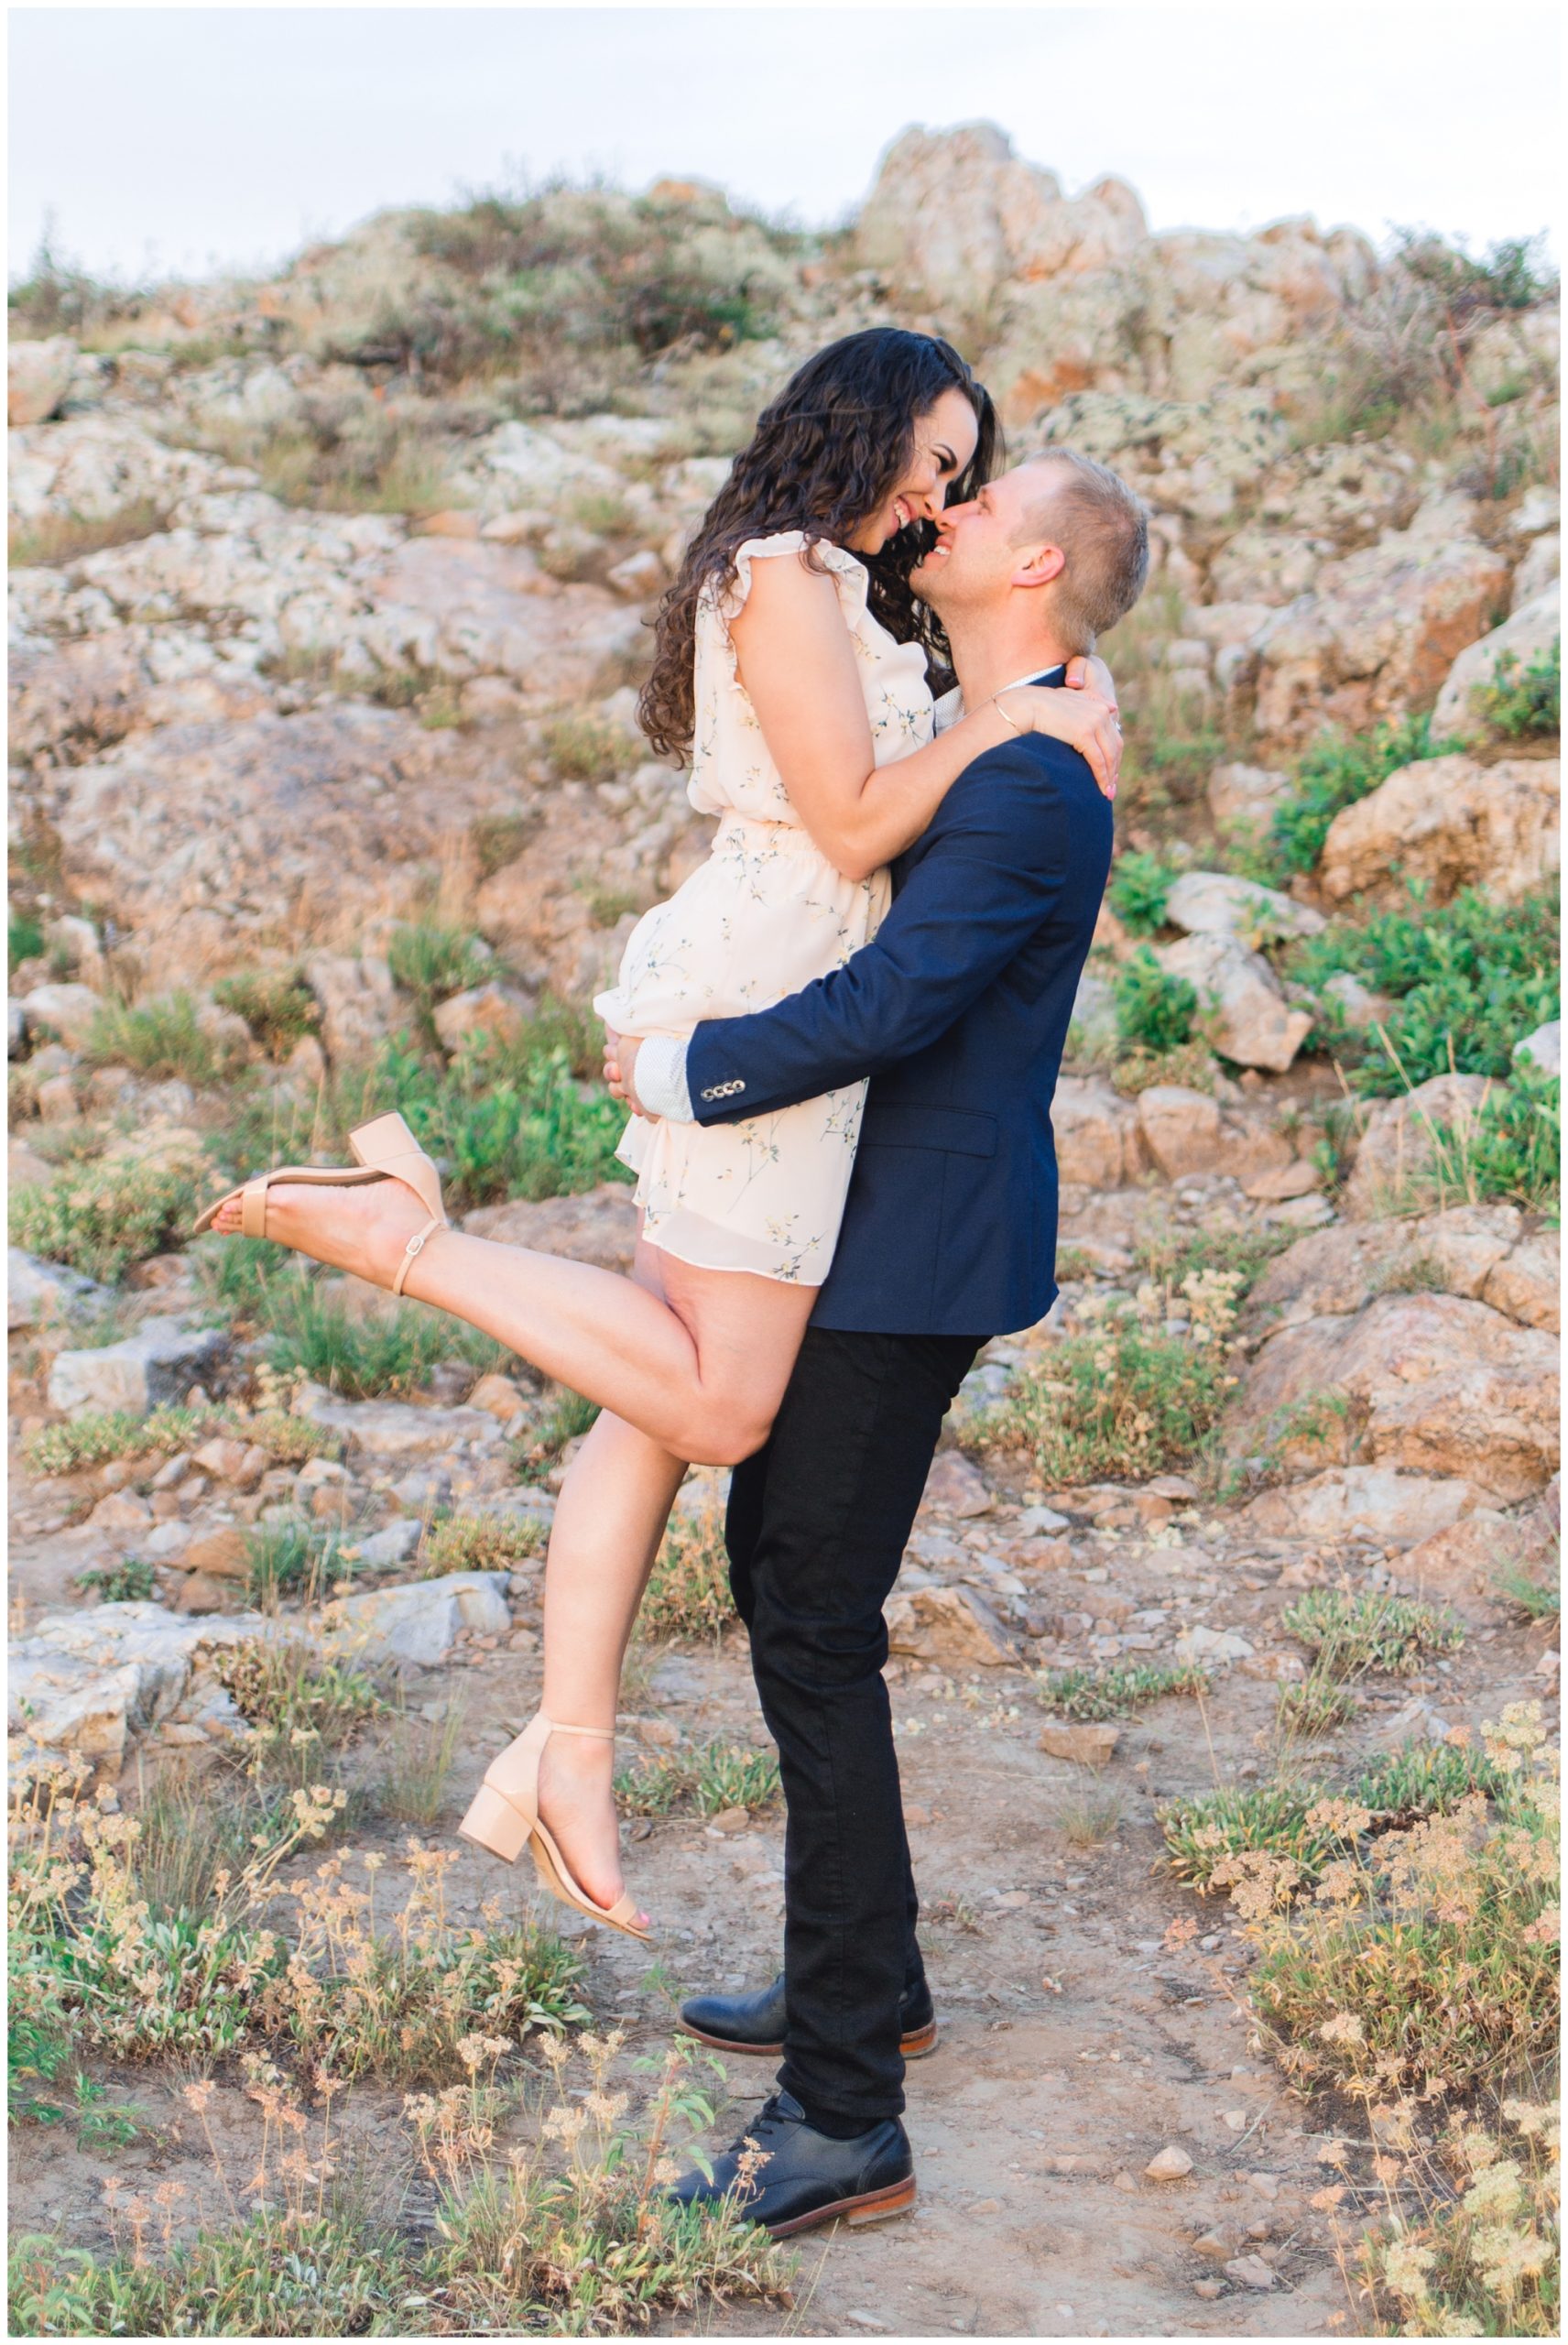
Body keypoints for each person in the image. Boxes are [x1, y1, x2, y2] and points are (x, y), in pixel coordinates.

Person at [191, 329, 1122, 1942]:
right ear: (860, 428)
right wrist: (1018, 718)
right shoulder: (783, 575)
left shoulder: (855, 588)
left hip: (799, 989)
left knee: (658, 1396)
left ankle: (566, 1756)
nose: (938, 490)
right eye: (931, 455)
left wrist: (1032, 701)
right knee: (716, 1398)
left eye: (966, 474)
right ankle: (406, 1236)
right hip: (769, 981)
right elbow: (848, 822)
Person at [605, 445, 1150, 2236]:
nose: (949, 517)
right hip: (876, 1230)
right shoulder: (1012, 731)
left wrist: (696, 1065)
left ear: (1040, 560)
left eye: (984, 508)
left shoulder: (1032, 787)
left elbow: (900, 997)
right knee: (792, 1593)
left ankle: (843, 2109)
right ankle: (877, 1981)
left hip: (902, 1250)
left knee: (810, 1618)